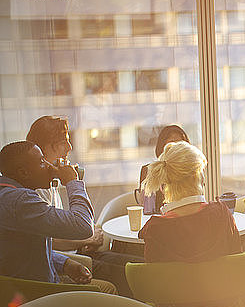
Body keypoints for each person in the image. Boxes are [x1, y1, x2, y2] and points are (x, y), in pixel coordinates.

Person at [27, 115, 142, 296]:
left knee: (133, 263)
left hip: (76, 253)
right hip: (67, 260)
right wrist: (87, 239)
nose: (70, 147)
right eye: (64, 141)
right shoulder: (35, 191)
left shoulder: (50, 182)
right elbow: (51, 241)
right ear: (46, 147)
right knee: (128, 273)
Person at [138, 141, 242, 307]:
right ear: (199, 176)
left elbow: (156, 286)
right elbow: (236, 258)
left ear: (164, 184)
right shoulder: (221, 213)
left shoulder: (154, 228)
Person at [0, 141, 115, 293]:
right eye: (41, 162)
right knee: (108, 289)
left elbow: (22, 252)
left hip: (19, 286)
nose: (49, 166)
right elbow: (83, 227)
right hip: (35, 293)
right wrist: (73, 182)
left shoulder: (7, 194)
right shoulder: (20, 201)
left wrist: (65, 263)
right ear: (23, 173)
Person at [136, 124, 190, 214]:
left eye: (180, 144)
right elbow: (147, 210)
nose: (176, 148)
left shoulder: (193, 171)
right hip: (158, 221)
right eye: (171, 143)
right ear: (162, 146)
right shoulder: (148, 171)